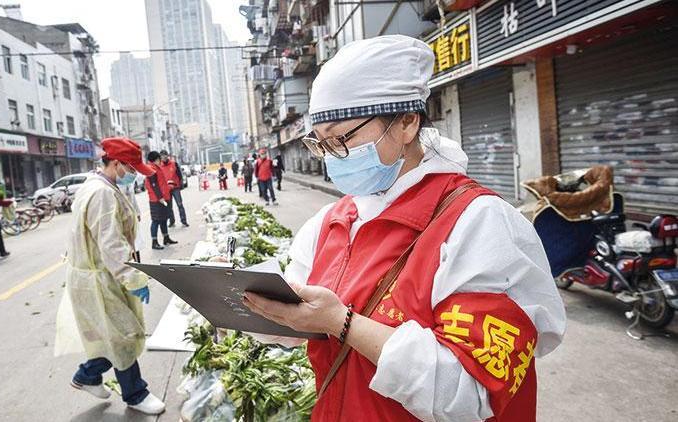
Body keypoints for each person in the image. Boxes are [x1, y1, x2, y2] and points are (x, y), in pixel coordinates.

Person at [242, 35, 566, 422]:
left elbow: (469, 394)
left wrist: (341, 323)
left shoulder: (481, 223)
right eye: (322, 144)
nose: (334, 158)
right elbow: (299, 321)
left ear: (408, 122)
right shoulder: (330, 223)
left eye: (343, 138)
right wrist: (249, 303)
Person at [62, 137, 165, 415]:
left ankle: (87, 375)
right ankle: (135, 394)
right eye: (131, 169)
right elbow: (111, 243)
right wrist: (133, 279)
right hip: (100, 277)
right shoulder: (102, 193)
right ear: (116, 163)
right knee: (124, 336)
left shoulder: (99, 185)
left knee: (112, 334)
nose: (133, 176)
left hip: (98, 275)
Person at [145, 151, 178, 250]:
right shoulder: (151, 169)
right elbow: (154, 185)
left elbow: (160, 183)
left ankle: (166, 238)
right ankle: (154, 242)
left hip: (163, 197)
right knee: (156, 220)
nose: (161, 161)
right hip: (157, 200)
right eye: (159, 159)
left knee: (163, 219)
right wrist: (160, 197)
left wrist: (168, 186)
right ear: (156, 159)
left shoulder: (156, 168)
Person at [158, 150, 189, 228]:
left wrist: (181, 184)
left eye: (165, 155)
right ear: (160, 157)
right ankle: (172, 221)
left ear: (167, 156)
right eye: (162, 156)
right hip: (166, 189)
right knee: (169, 206)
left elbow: (179, 175)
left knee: (180, 204)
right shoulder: (160, 166)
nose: (163, 157)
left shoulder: (174, 164)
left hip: (175, 188)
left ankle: (184, 221)